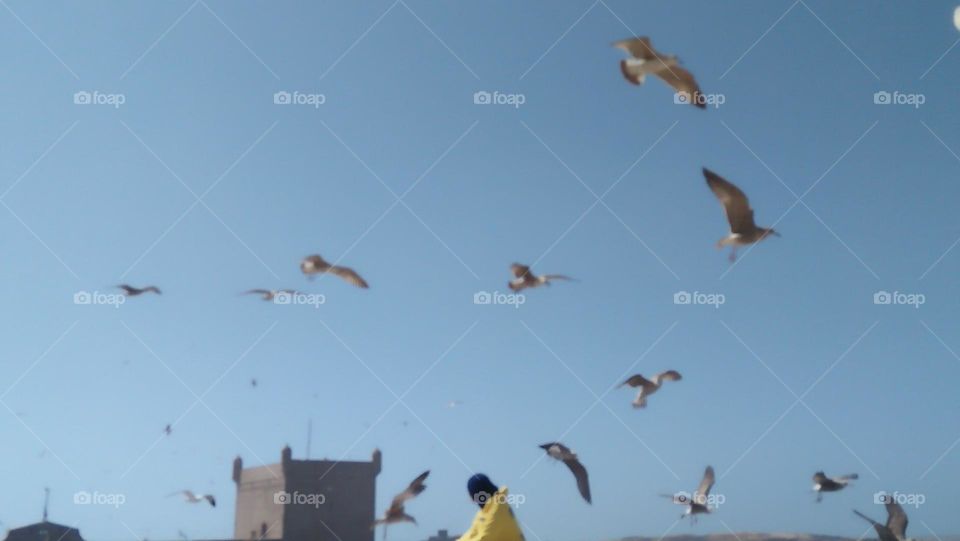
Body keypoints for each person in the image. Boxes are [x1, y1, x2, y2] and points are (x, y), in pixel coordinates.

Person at [459, 474, 525, 541]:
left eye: (471, 495)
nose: (471, 499)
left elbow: (485, 538)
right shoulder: (484, 511)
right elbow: (472, 533)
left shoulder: (498, 507)